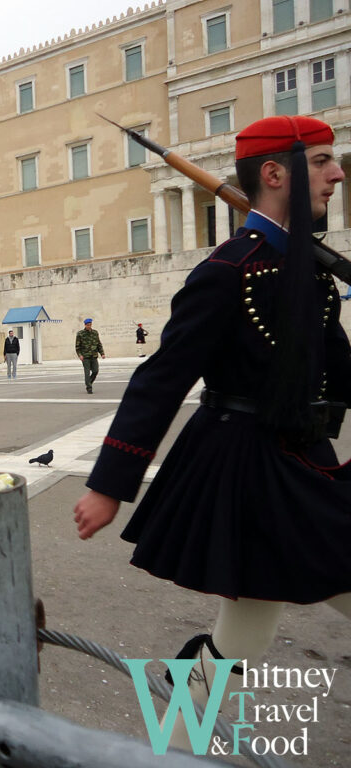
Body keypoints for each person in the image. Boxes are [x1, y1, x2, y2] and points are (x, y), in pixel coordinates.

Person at [73, 115, 351, 750]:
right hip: (249, 464)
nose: (338, 173)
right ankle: (172, 742)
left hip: (303, 455)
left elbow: (340, 370)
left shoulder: (311, 269)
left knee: (246, 623)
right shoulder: (229, 271)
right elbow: (161, 379)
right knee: (254, 615)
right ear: (276, 174)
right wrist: (110, 484)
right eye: (323, 161)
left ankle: (170, 740)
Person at [75, 318, 104, 394]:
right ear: (85, 325)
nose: (89, 326)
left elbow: (98, 344)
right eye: (88, 325)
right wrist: (80, 355)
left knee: (95, 371)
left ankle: (89, 382)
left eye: (90, 325)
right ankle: (89, 387)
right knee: (87, 373)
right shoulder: (80, 334)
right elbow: (77, 347)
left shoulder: (95, 333)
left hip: (94, 356)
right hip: (85, 357)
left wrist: (102, 353)